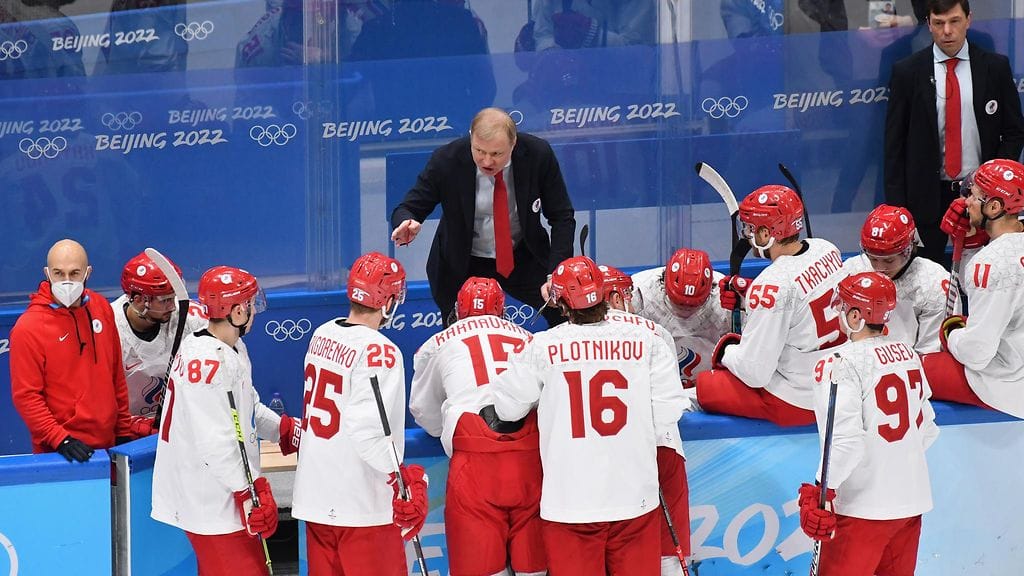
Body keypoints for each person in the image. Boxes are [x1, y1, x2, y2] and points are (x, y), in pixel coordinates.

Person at [492, 256, 687, 575]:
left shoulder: (542, 347)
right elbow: (668, 412)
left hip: (571, 504)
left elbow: (506, 408)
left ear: (563, 304)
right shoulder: (648, 341)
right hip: (634, 499)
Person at [151, 266, 300, 575]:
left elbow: (248, 406)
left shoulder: (231, 348)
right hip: (210, 500)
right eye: (250, 304)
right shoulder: (206, 362)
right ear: (237, 311)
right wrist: (249, 491)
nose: (254, 311)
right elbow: (215, 444)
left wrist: (284, 430)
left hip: (223, 497)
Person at [291, 252, 429, 575]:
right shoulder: (380, 350)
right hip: (362, 508)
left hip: (315, 501)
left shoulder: (321, 334)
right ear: (388, 301)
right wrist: (402, 479)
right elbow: (369, 430)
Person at [797, 271, 938, 574]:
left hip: (861, 512)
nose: (838, 311)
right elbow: (927, 428)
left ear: (857, 314)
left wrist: (823, 488)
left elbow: (847, 442)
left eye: (844, 305)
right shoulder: (909, 354)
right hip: (910, 505)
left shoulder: (838, 363)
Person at [409, 276, 545, 576]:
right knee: (534, 569)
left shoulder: (438, 343)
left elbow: (422, 409)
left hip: (475, 462)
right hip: (531, 461)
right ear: (503, 311)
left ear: (457, 310)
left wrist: (444, 427)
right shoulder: (530, 338)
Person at [391, 107, 576, 328]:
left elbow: (562, 216)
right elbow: (410, 206)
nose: (487, 161)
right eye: (479, 150)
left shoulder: (538, 155)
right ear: (471, 139)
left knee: (564, 315)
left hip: (523, 257)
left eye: (496, 154)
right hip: (462, 263)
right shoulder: (447, 160)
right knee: (459, 336)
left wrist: (555, 272)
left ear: (513, 143)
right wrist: (406, 221)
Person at [884, 0, 1024, 266]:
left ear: (968, 20)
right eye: (939, 23)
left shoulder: (994, 67)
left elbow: (1015, 130)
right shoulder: (907, 72)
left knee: (987, 272)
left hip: (982, 197)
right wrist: (898, 210)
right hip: (926, 198)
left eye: (955, 21)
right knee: (928, 276)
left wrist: (994, 181)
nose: (947, 31)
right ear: (929, 24)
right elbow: (894, 146)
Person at [695, 185, 846, 426]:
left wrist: (726, 350)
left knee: (705, 385)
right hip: (841, 385)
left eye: (750, 229)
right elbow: (801, 297)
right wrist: (750, 298)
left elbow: (755, 373)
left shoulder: (771, 284)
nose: (746, 235)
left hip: (800, 401)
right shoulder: (826, 249)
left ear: (766, 234)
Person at [599, 264, 691, 576]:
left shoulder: (570, 335)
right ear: (615, 296)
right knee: (668, 554)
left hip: (601, 455)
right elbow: (670, 405)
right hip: (659, 447)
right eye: (626, 294)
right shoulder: (656, 333)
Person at [9, 239, 132, 461]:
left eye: (74, 273)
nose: (66, 281)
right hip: (60, 452)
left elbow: (115, 373)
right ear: (47, 273)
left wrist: (123, 430)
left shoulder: (101, 307)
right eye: (58, 273)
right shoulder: (29, 328)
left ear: (88, 273)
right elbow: (26, 397)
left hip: (109, 444)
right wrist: (60, 439)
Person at [923, 158, 1024, 417]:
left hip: (1010, 385)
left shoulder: (992, 263)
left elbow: (977, 353)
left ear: (993, 206)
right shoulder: (999, 255)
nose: (965, 200)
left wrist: (953, 333)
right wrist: (970, 242)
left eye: (973, 194)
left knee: (916, 370)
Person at [841, 204, 956, 354]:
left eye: (889, 261)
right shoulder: (852, 271)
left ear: (908, 250)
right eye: (873, 259)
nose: (879, 268)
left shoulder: (932, 282)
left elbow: (930, 352)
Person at [113, 251, 207, 427]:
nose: (173, 306)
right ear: (139, 300)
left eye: (174, 297)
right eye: (165, 300)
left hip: (179, 424)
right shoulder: (109, 327)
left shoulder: (190, 317)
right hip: (127, 428)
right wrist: (129, 427)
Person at [629, 248, 732, 388]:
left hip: (708, 383)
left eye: (694, 305)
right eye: (678, 303)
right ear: (664, 284)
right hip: (652, 382)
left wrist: (745, 306)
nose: (685, 309)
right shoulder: (638, 292)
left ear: (710, 291)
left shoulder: (727, 296)